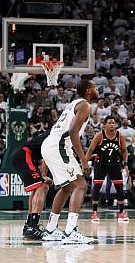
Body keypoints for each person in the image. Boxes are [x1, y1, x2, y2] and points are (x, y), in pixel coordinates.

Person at [41, 79, 97, 244]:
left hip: (51, 144)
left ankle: (51, 229)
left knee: (66, 188)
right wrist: (84, 160)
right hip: (59, 146)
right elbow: (73, 132)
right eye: (94, 87)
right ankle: (70, 232)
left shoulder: (73, 104)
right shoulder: (85, 105)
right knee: (81, 185)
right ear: (88, 90)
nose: (97, 90)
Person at [85, 115, 129, 223]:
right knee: (97, 186)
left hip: (115, 164)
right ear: (104, 125)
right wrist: (84, 163)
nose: (112, 124)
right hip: (101, 164)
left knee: (119, 187)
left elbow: (124, 150)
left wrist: (126, 164)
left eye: (113, 123)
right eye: (109, 123)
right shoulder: (99, 136)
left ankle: (121, 212)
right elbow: (90, 150)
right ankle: (94, 212)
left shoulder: (120, 136)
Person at [10, 130, 52, 239]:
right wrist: (43, 175)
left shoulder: (53, 133)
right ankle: (32, 226)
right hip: (24, 154)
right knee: (41, 186)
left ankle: (29, 225)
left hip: (22, 154)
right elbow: (45, 159)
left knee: (41, 187)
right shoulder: (55, 135)